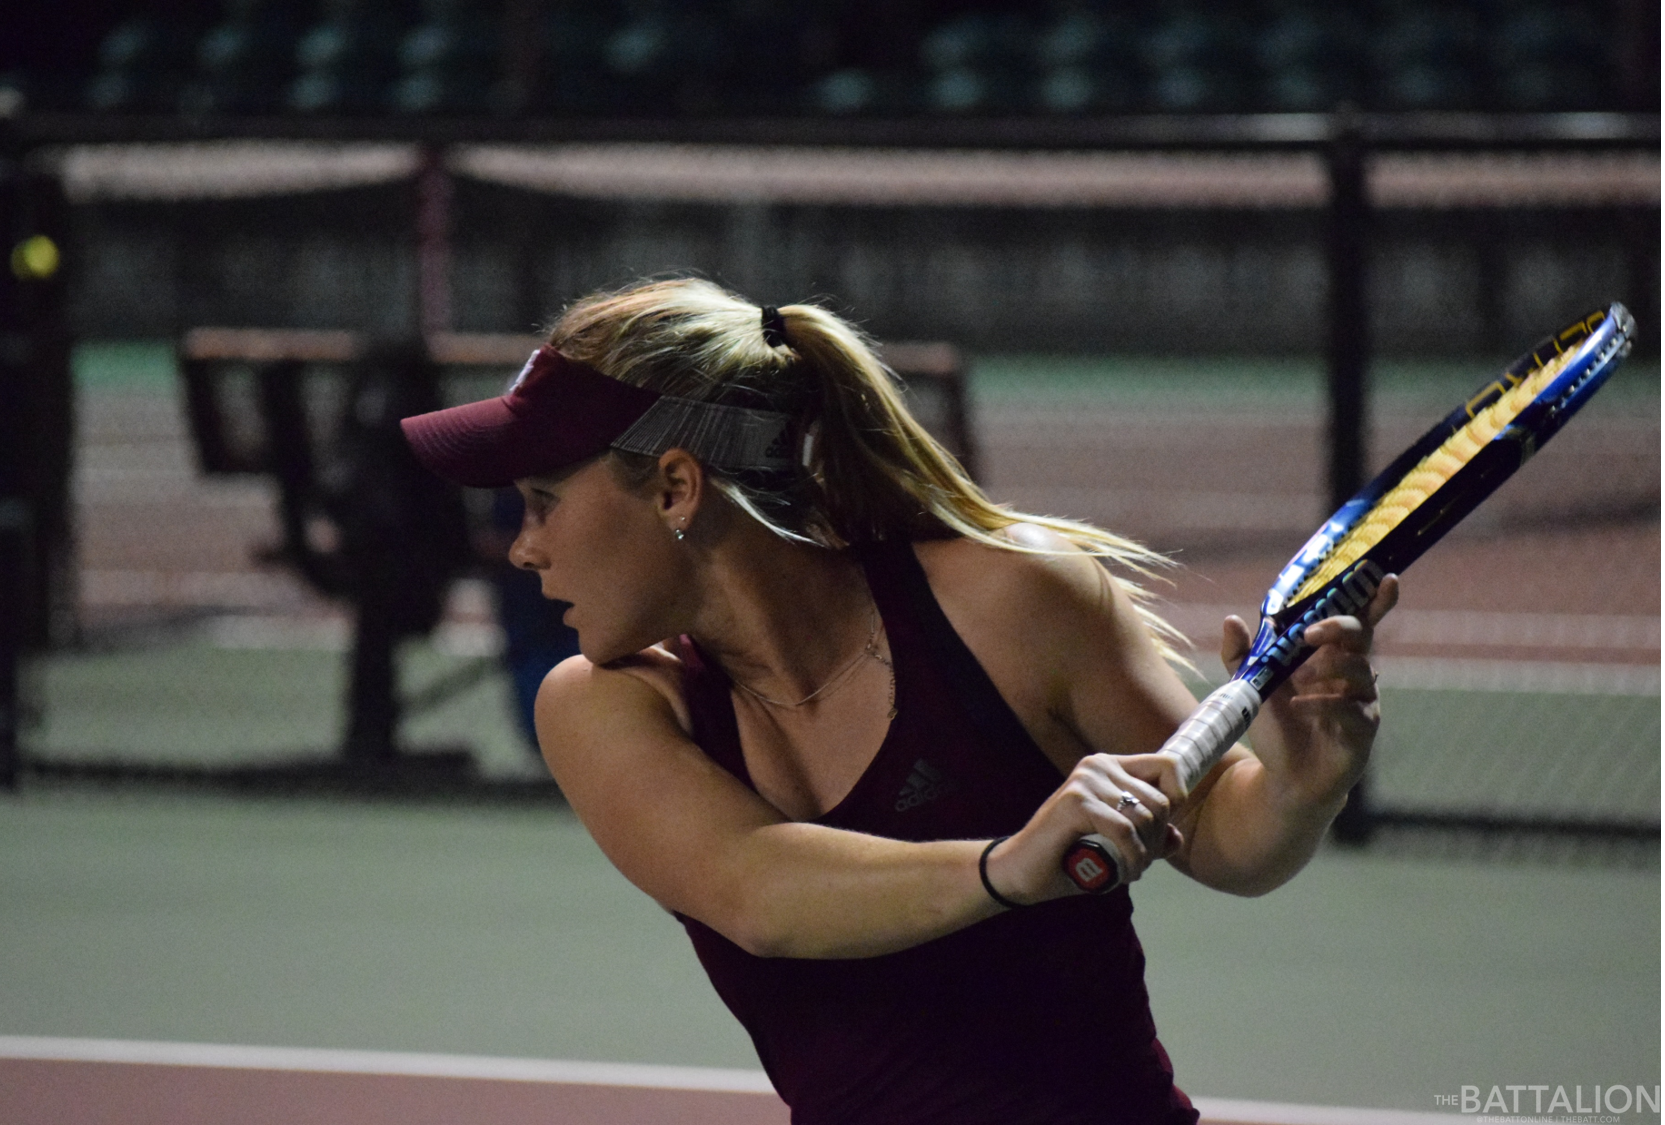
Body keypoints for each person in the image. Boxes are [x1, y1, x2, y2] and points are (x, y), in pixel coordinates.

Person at [400, 278, 1396, 1124]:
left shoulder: (1013, 601)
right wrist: (1006, 868)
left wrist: (1303, 784)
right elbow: (759, 892)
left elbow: (1224, 834)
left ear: (673, 487)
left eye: (542, 502)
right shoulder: (603, 708)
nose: (522, 545)